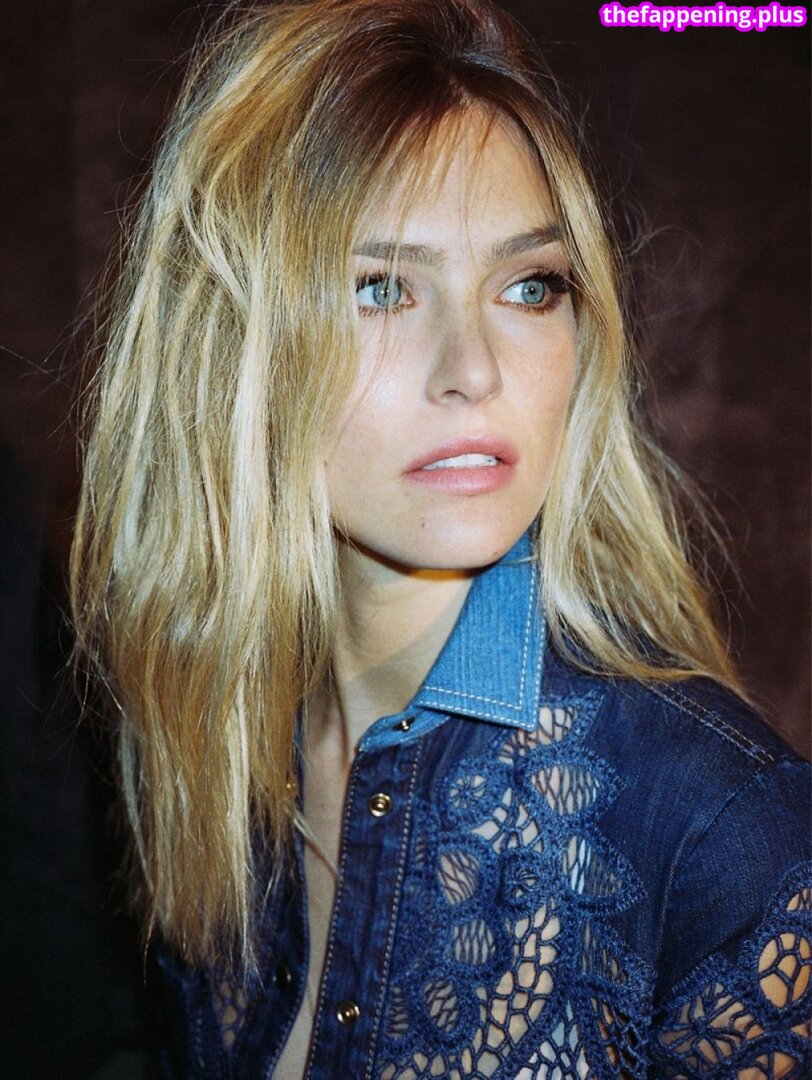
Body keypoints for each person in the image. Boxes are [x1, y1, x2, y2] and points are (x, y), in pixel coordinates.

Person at [69, 0, 811, 1076]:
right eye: (380, 289)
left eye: (528, 286)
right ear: (228, 344)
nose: (473, 367)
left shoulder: (727, 837)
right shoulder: (207, 738)